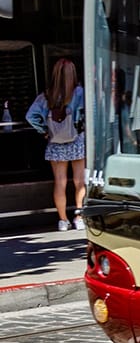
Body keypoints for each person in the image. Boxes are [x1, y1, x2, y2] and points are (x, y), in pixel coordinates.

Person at [26, 58, 85, 231]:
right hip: (77, 140)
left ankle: (62, 220)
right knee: (79, 181)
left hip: (55, 143)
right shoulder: (80, 93)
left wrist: (44, 130)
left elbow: (30, 116)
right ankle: (79, 217)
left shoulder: (46, 95)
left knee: (59, 182)